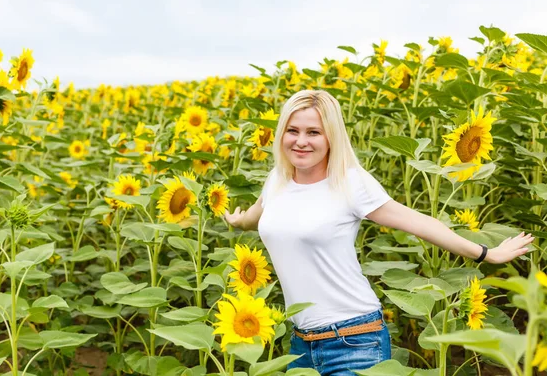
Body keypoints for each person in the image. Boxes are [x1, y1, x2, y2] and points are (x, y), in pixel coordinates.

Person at [223, 89, 535, 375]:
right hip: (300, 344)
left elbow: (420, 223)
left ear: (331, 136)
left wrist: (487, 253)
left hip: (354, 341)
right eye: (293, 131)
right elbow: (256, 217)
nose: (300, 141)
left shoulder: (350, 183)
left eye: (313, 132)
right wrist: (236, 221)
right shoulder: (278, 179)